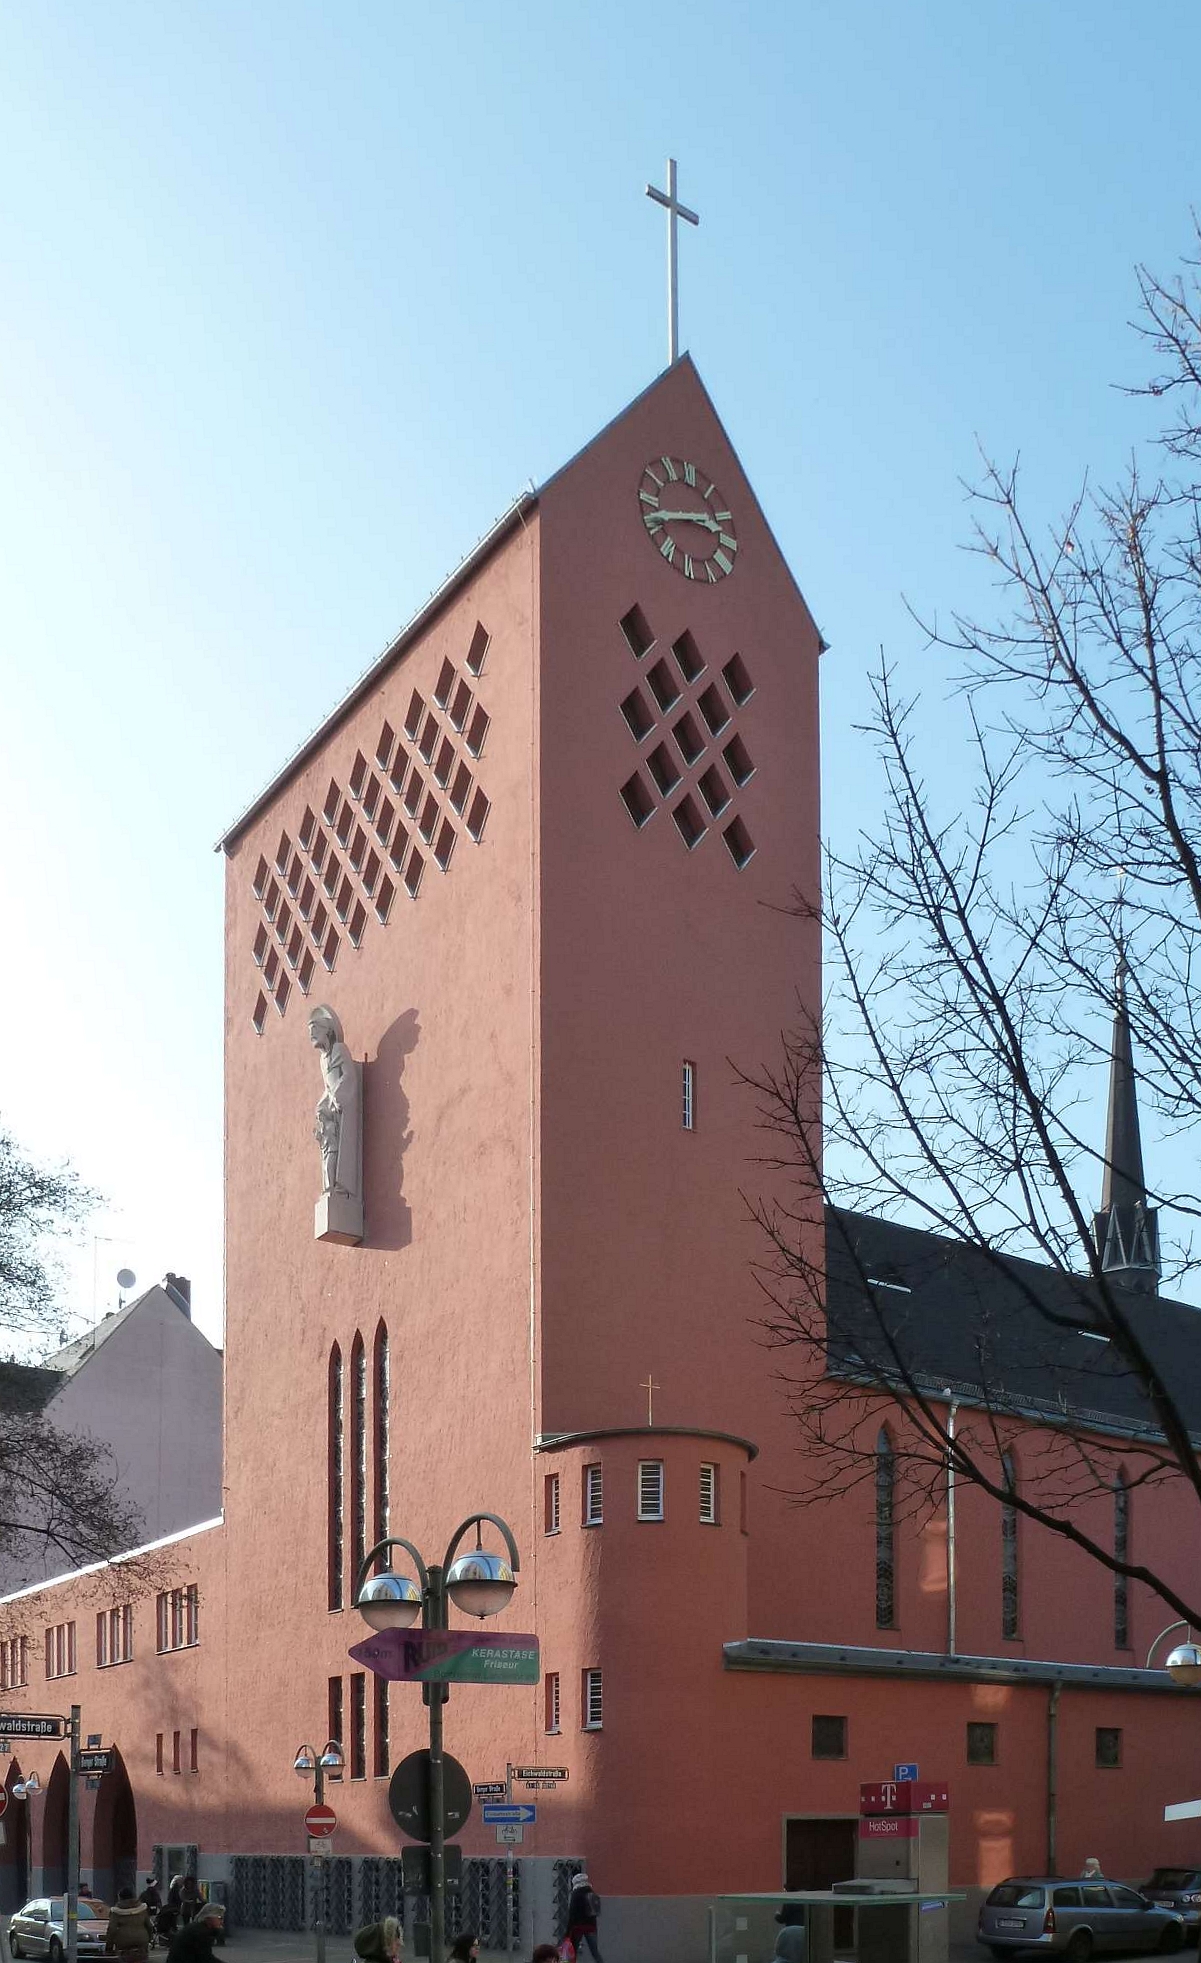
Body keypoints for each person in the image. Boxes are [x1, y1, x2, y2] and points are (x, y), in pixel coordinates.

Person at [105, 1889, 153, 1963]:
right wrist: (150, 1939)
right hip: (142, 1940)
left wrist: (109, 1947)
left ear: (120, 1898)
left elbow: (112, 1929)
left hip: (124, 1942)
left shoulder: (116, 1911)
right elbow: (149, 1926)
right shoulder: (142, 1908)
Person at [565, 1872, 602, 1963]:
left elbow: (572, 1913)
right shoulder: (591, 1892)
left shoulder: (576, 1894)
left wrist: (568, 1932)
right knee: (595, 1952)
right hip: (591, 1926)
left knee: (573, 1951)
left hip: (578, 1927)